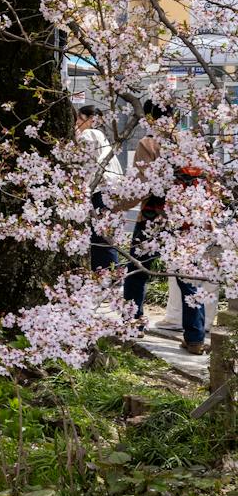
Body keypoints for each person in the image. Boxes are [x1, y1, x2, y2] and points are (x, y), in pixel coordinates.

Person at [122, 102, 208, 354]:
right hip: (185, 218)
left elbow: (142, 185)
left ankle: (132, 325)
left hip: (154, 218)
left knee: (137, 272)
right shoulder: (192, 141)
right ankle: (195, 338)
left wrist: (117, 205)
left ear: (149, 117)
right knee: (188, 278)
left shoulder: (148, 143)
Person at [75, 104, 122, 271]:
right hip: (112, 189)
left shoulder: (88, 134)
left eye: (79, 119)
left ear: (90, 120)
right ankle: (110, 274)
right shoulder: (102, 137)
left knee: (100, 236)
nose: (76, 124)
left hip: (100, 189)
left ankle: (107, 275)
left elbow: (83, 163)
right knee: (105, 234)